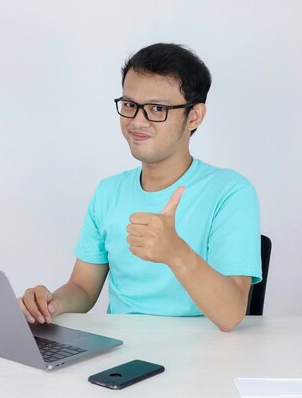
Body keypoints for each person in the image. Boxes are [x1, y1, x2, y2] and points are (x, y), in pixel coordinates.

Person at [18, 43, 262, 332]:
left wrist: (176, 253)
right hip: (120, 355)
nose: (137, 121)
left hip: (203, 357)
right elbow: (83, 288)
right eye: (130, 105)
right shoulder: (109, 192)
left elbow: (231, 314)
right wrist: (52, 303)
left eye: (157, 108)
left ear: (194, 116)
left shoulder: (231, 192)